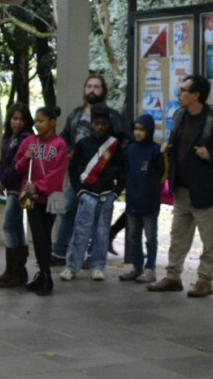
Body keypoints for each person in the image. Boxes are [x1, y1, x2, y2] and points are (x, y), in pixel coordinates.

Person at [148, 74, 213, 298]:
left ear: (196, 95)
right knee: (177, 236)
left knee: (209, 239)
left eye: (183, 90)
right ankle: (173, 276)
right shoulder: (180, 115)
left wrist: (210, 154)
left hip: (206, 191)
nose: (179, 94)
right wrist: (168, 149)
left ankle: (205, 280)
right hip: (181, 189)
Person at [52, 74, 129, 266]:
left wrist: (113, 169)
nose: (92, 90)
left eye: (96, 87)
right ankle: (59, 252)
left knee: (95, 216)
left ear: (103, 91)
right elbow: (64, 137)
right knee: (68, 211)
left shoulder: (112, 116)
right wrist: (70, 153)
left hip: (100, 176)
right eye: (89, 86)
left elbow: (123, 142)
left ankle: (91, 256)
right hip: (78, 174)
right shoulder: (76, 114)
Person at [61, 104, 125, 282]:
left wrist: (116, 192)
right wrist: (79, 190)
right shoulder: (82, 144)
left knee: (102, 232)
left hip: (106, 195)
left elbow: (122, 170)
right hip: (87, 194)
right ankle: (73, 266)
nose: (100, 127)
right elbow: (73, 168)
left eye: (103, 124)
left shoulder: (114, 145)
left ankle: (98, 265)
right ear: (91, 124)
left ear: (108, 125)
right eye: (96, 123)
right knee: (81, 231)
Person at [14, 105, 69, 296]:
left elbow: (58, 173)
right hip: (32, 200)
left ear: (52, 122)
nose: (37, 125)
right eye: (36, 121)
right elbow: (18, 166)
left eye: (41, 121)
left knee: (45, 237)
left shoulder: (59, 145)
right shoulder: (29, 142)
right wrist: (25, 159)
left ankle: (44, 276)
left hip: (50, 198)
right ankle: (44, 275)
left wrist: (38, 185)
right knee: (38, 237)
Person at [0, 103, 33, 288]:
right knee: (16, 227)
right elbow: (4, 162)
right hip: (10, 186)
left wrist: (3, 181)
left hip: (19, 187)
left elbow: (18, 166)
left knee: (9, 226)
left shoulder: (26, 139)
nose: (17, 122)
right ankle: (18, 271)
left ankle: (13, 270)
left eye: (21, 119)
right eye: (14, 118)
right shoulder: (8, 137)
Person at [119, 114, 163, 284]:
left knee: (150, 237)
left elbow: (160, 173)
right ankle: (137, 266)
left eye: (142, 130)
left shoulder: (155, 150)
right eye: (136, 129)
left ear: (149, 131)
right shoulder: (130, 149)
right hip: (133, 201)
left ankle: (150, 268)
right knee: (133, 236)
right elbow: (127, 172)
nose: (138, 133)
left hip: (150, 202)